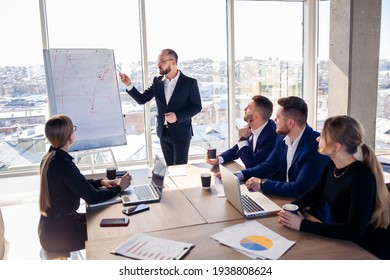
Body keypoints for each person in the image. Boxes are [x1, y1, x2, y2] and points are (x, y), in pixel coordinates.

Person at [278, 115, 390, 259]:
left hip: (364, 251)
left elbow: (353, 231)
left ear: (336, 147)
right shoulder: (332, 166)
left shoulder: (361, 178)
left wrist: (302, 224)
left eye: (323, 137)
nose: (318, 139)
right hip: (341, 241)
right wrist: (290, 208)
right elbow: (314, 193)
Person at [38, 114, 131, 253]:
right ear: (70, 136)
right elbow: (93, 198)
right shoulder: (64, 165)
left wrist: (100, 182)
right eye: (73, 129)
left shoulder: (50, 158)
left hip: (52, 228)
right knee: (111, 234)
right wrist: (119, 187)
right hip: (59, 235)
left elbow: (73, 183)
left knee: (105, 220)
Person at [120, 49, 202, 166]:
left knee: (180, 170)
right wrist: (128, 84)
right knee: (169, 169)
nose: (158, 64)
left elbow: (197, 106)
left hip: (181, 133)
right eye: (158, 61)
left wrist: (177, 117)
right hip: (163, 133)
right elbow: (142, 99)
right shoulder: (157, 81)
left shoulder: (189, 83)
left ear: (173, 62)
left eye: (162, 61)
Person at [236, 96, 329, 198]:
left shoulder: (315, 145)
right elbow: (268, 166)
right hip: (284, 198)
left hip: (308, 209)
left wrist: (263, 183)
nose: (274, 120)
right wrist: (239, 175)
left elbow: (300, 187)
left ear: (290, 123)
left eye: (278, 117)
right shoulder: (282, 137)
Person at [206, 95, 277, 169]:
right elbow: (236, 149)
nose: (244, 109)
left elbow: (252, 166)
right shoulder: (253, 127)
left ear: (257, 116)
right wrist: (218, 159)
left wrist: (242, 139)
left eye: (248, 107)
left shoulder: (272, 136)